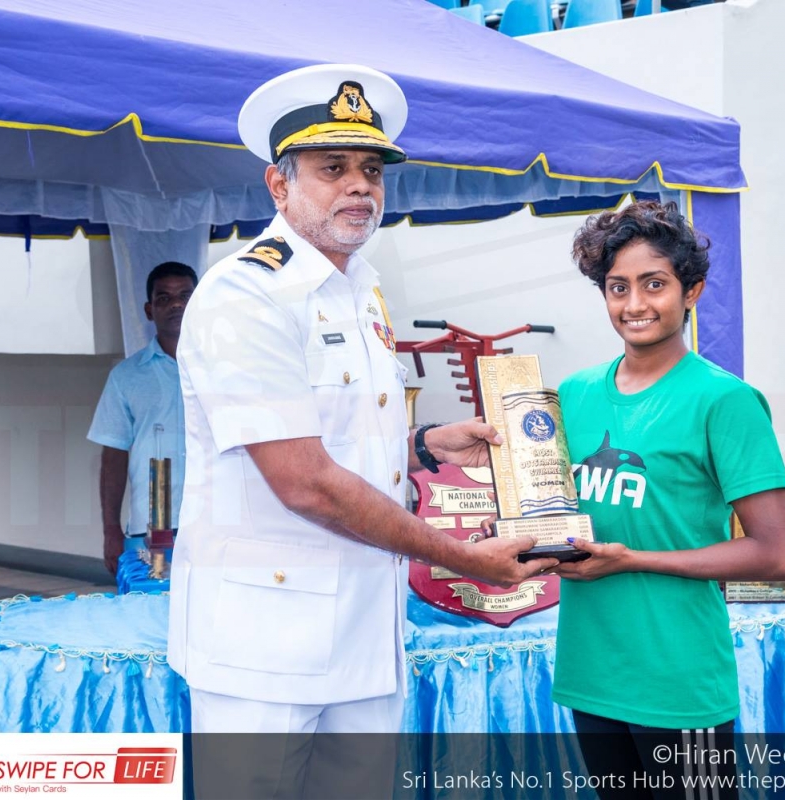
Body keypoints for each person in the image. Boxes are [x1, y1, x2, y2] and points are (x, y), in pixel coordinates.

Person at [170, 63, 555, 795]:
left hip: (366, 633)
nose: (360, 186)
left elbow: (335, 437)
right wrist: (464, 558)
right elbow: (306, 483)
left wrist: (423, 445)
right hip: (266, 648)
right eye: (333, 168)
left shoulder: (361, 288)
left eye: (372, 171)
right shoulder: (247, 294)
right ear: (278, 185)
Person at [551, 201, 785, 799]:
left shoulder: (725, 400)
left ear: (692, 291)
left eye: (654, 284)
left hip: (679, 681)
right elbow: (557, 516)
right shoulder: (572, 394)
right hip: (591, 670)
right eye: (618, 287)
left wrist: (633, 560)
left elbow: (776, 555)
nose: (634, 303)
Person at [88, 261, 197, 576]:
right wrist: (111, 529)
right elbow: (114, 456)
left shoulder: (224, 370)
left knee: (213, 605)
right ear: (149, 311)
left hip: (213, 524)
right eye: (164, 298)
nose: (176, 304)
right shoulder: (126, 377)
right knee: (150, 600)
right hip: (152, 526)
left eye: (185, 296)